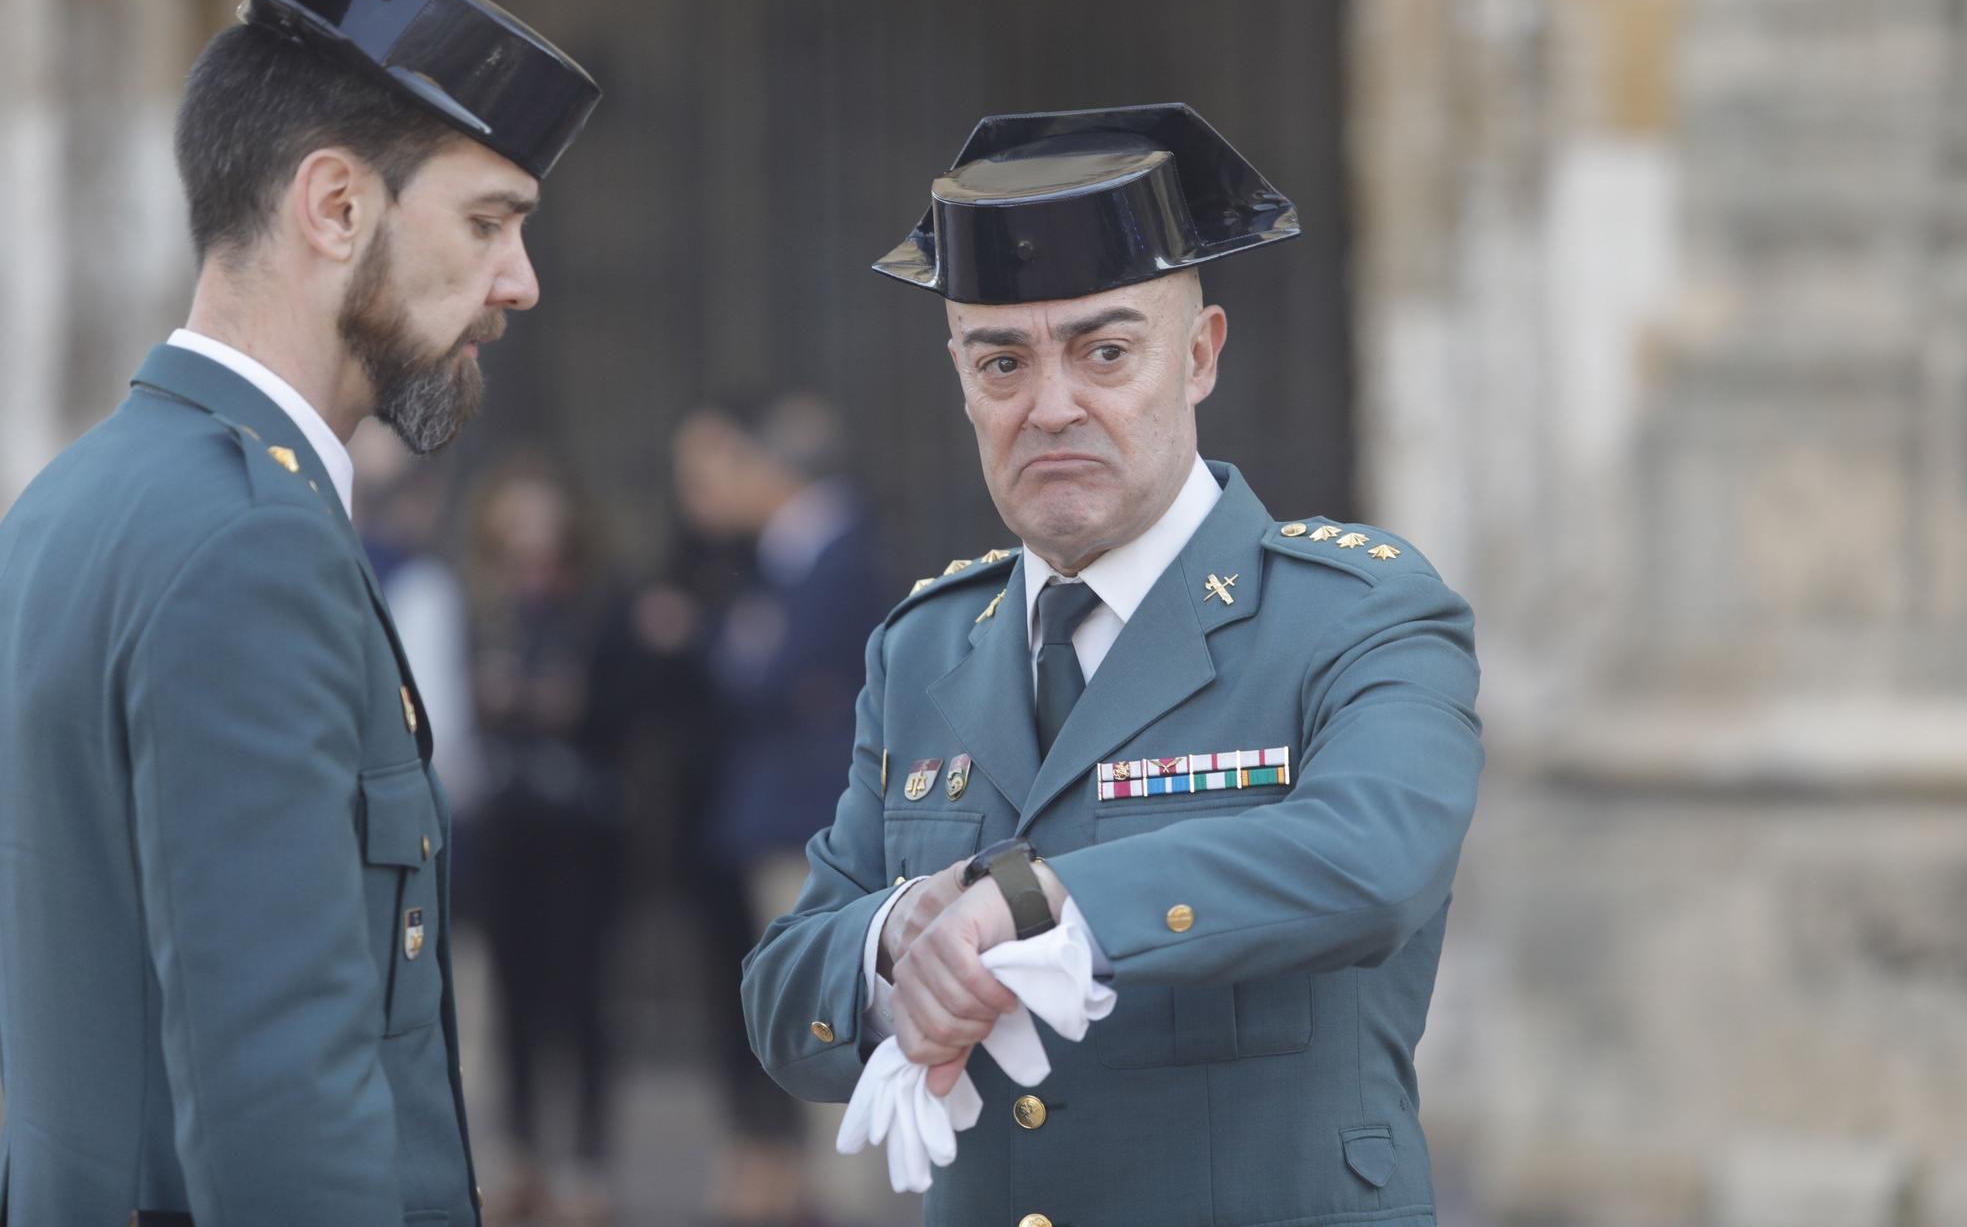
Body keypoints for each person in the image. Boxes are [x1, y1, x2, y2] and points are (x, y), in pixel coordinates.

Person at [740, 104, 1483, 1226]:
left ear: (1198, 356)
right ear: (959, 380)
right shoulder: (926, 646)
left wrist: (1033, 904)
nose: (1049, 407)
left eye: (1105, 351)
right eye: (1001, 361)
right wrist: (896, 942)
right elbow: (782, 986)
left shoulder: (1353, 613)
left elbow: (1372, 858)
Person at [0, 0, 598, 1221]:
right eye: (488, 222)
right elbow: (281, 1108)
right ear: (334, 205)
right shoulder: (247, 544)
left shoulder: (76, 498)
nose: (521, 283)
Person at [671, 395, 888, 1225]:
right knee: (795, 1009)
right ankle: (815, 1186)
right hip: (776, 814)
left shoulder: (831, 547)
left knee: (824, 1010)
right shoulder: (786, 552)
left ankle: (846, 1196)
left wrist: (746, 648)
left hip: (806, 818)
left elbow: (771, 669)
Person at [459, 454, 629, 1227]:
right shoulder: (481, 604)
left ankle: (587, 1164)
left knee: (582, 1000)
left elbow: (618, 707)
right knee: (513, 1001)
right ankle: (520, 1155)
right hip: (506, 828)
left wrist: (565, 701)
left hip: (581, 834)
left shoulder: (595, 606)